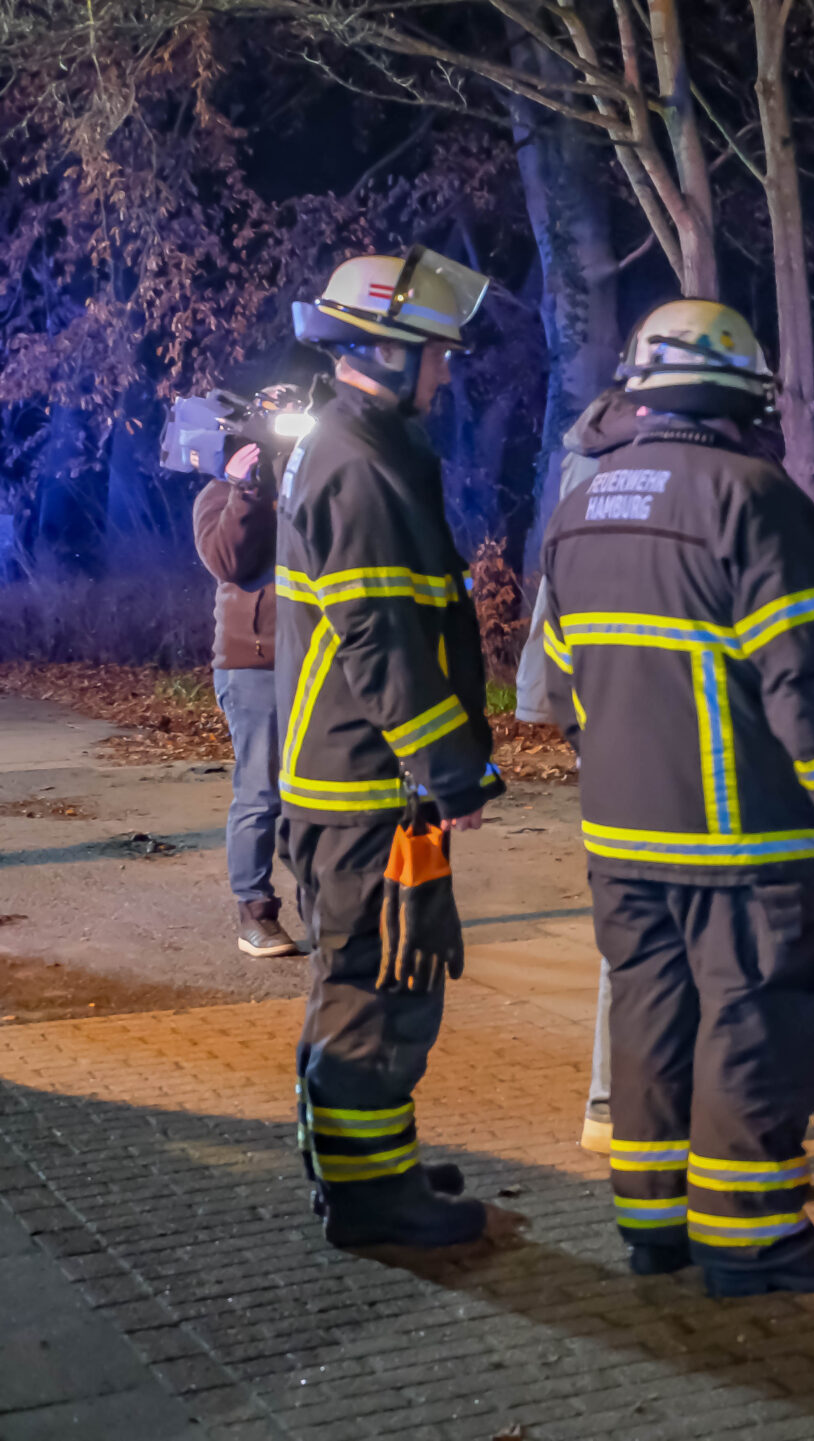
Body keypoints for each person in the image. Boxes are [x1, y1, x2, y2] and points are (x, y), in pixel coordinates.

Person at [536, 299, 814, 1295]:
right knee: (754, 1019)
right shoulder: (756, 497)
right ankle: (751, 1233)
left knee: (650, 1016)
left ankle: (654, 1220)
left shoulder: (581, 506)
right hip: (746, 837)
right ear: (742, 397)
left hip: (620, 832)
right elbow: (807, 678)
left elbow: (564, 676)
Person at [277, 248, 505, 1249]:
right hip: (365, 786)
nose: (445, 374)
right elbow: (379, 636)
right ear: (384, 349)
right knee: (376, 989)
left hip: (356, 779)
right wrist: (449, 768)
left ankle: (366, 1163)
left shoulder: (358, 446)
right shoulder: (359, 463)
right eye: (436, 354)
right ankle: (374, 1202)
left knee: (363, 980)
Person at [511, 388, 646, 1154]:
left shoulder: (583, 469)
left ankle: (608, 1102)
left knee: (626, 923)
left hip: (604, 723)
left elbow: (561, 626)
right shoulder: (662, 480)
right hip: (665, 738)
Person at [193, 433, 301, 959]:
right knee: (261, 792)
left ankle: (325, 903)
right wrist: (244, 491)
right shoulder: (219, 494)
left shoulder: (309, 481)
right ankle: (255, 912)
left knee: (315, 791)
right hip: (254, 665)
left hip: (314, 660)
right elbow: (228, 562)